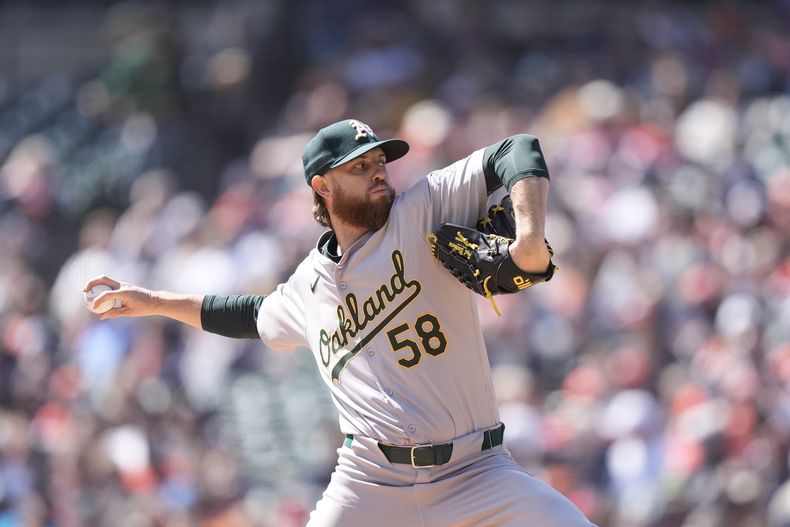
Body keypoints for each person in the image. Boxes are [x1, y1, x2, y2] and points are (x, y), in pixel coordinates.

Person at [84, 118, 596, 527]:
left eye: (380, 161)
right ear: (322, 186)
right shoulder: (307, 286)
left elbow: (518, 149)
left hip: (477, 470)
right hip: (371, 482)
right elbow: (251, 315)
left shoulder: (422, 209)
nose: (379, 172)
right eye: (360, 166)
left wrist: (529, 241)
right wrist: (153, 300)